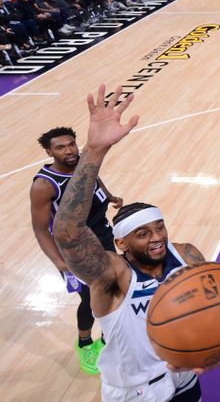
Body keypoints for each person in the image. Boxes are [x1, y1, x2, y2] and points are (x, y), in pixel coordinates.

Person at [51, 86, 203, 401]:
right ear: (121, 242)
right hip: (137, 392)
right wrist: (94, 150)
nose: (158, 237)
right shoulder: (112, 276)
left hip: (185, 377)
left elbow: (214, 303)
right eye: (143, 233)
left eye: (159, 227)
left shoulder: (186, 254)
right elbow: (66, 233)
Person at [30, 126, 123, 375]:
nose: (69, 150)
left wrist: (109, 195)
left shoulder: (82, 161)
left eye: (71, 144)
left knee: (114, 288)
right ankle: (84, 343)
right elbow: (40, 230)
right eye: (60, 147)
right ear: (49, 152)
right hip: (74, 248)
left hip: (101, 234)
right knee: (90, 298)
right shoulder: (44, 185)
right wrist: (60, 263)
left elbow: (91, 177)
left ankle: (106, 336)